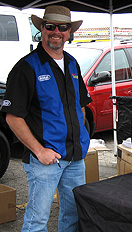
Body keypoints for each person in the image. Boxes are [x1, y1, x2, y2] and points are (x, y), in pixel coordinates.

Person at [1, 5, 92, 231]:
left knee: (72, 216)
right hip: (44, 160)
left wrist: (83, 138)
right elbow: (13, 117)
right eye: (50, 26)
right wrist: (39, 151)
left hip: (75, 158)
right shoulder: (26, 68)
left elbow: (80, 106)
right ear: (42, 28)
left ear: (70, 32)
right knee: (37, 221)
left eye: (62, 28)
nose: (56, 32)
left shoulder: (72, 63)